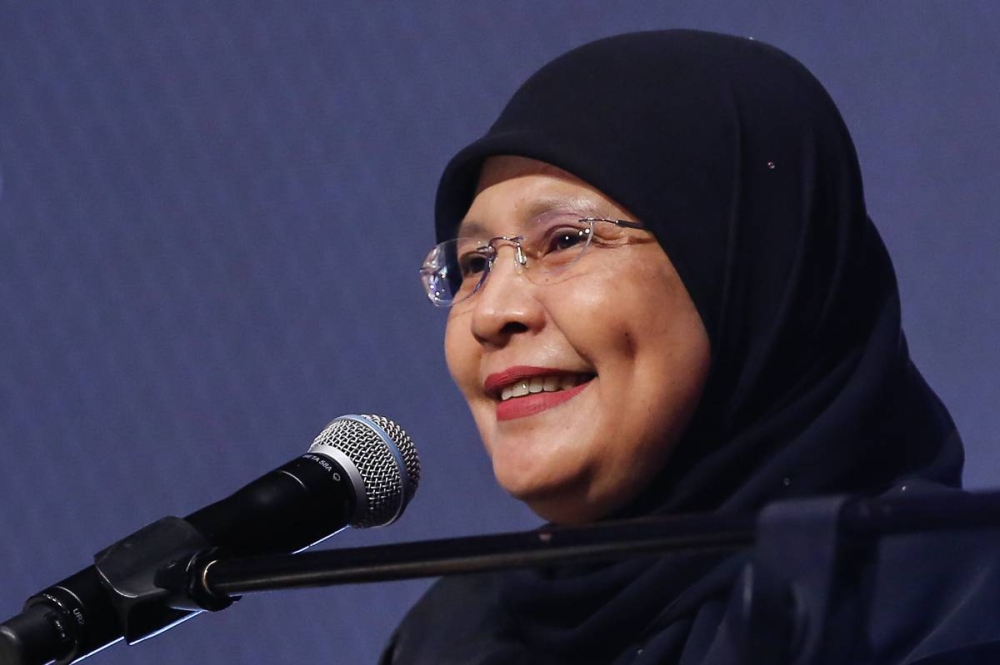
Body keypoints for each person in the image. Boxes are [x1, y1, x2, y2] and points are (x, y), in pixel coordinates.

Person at [383, 30, 1000, 664]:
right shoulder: (448, 640)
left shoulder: (953, 609)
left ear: (754, 269)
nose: (491, 313)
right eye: (476, 263)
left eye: (565, 241)